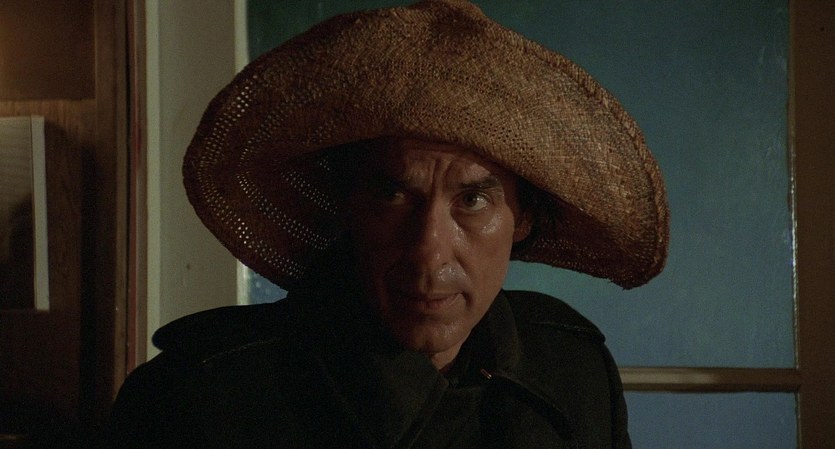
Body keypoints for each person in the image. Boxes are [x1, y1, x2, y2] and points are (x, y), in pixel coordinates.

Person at [107, 0, 668, 448]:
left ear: (524, 218)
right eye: (393, 195)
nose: (429, 252)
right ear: (346, 204)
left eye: (472, 200)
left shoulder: (572, 370)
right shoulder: (201, 399)